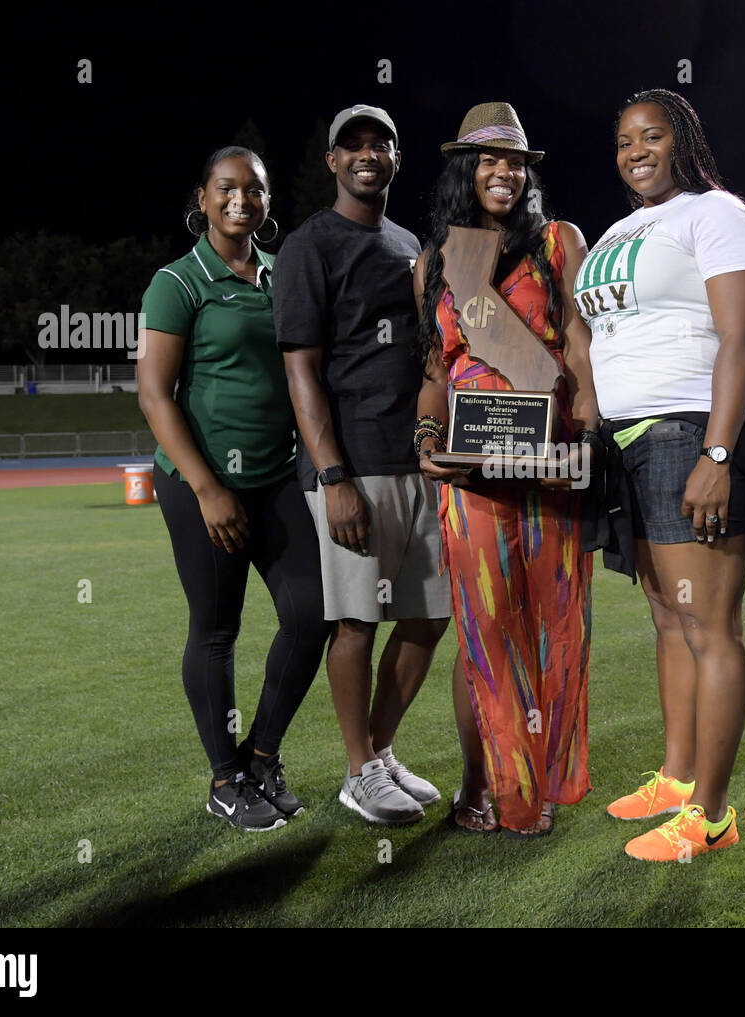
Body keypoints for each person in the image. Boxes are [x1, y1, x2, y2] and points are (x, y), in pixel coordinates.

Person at [576, 89, 745, 861]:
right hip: (628, 443)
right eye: (625, 140)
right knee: (667, 621)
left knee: (709, 626)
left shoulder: (716, 213)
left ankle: (715, 816)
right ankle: (679, 775)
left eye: (652, 136)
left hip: (689, 430)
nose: (636, 151)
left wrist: (718, 453)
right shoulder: (620, 228)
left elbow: (744, 334)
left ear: (682, 138)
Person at [415, 102, 599, 838]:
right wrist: (427, 427)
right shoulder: (437, 260)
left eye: (516, 162)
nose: (504, 173)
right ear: (466, 169)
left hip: (548, 460)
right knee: (485, 629)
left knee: (558, 624)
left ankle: (547, 779)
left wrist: (586, 425)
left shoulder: (558, 241)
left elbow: (579, 344)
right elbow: (436, 366)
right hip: (469, 475)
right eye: (489, 161)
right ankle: (502, 783)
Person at [138, 146, 328, 831]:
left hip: (274, 477)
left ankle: (263, 755)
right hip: (203, 483)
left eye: (254, 188)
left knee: (313, 611)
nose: (240, 199)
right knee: (217, 630)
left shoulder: (282, 276)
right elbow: (155, 395)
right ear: (203, 196)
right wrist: (207, 488)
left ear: (268, 201)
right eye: (227, 188)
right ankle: (225, 778)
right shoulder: (178, 281)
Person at [274, 105, 452, 826]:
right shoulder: (309, 246)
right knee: (355, 621)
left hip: (417, 460)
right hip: (354, 465)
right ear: (332, 161)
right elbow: (301, 372)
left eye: (381, 143)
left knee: (429, 616)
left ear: (397, 159)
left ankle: (379, 752)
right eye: (353, 145)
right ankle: (356, 770)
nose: (368, 153)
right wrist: (333, 475)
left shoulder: (412, 243)